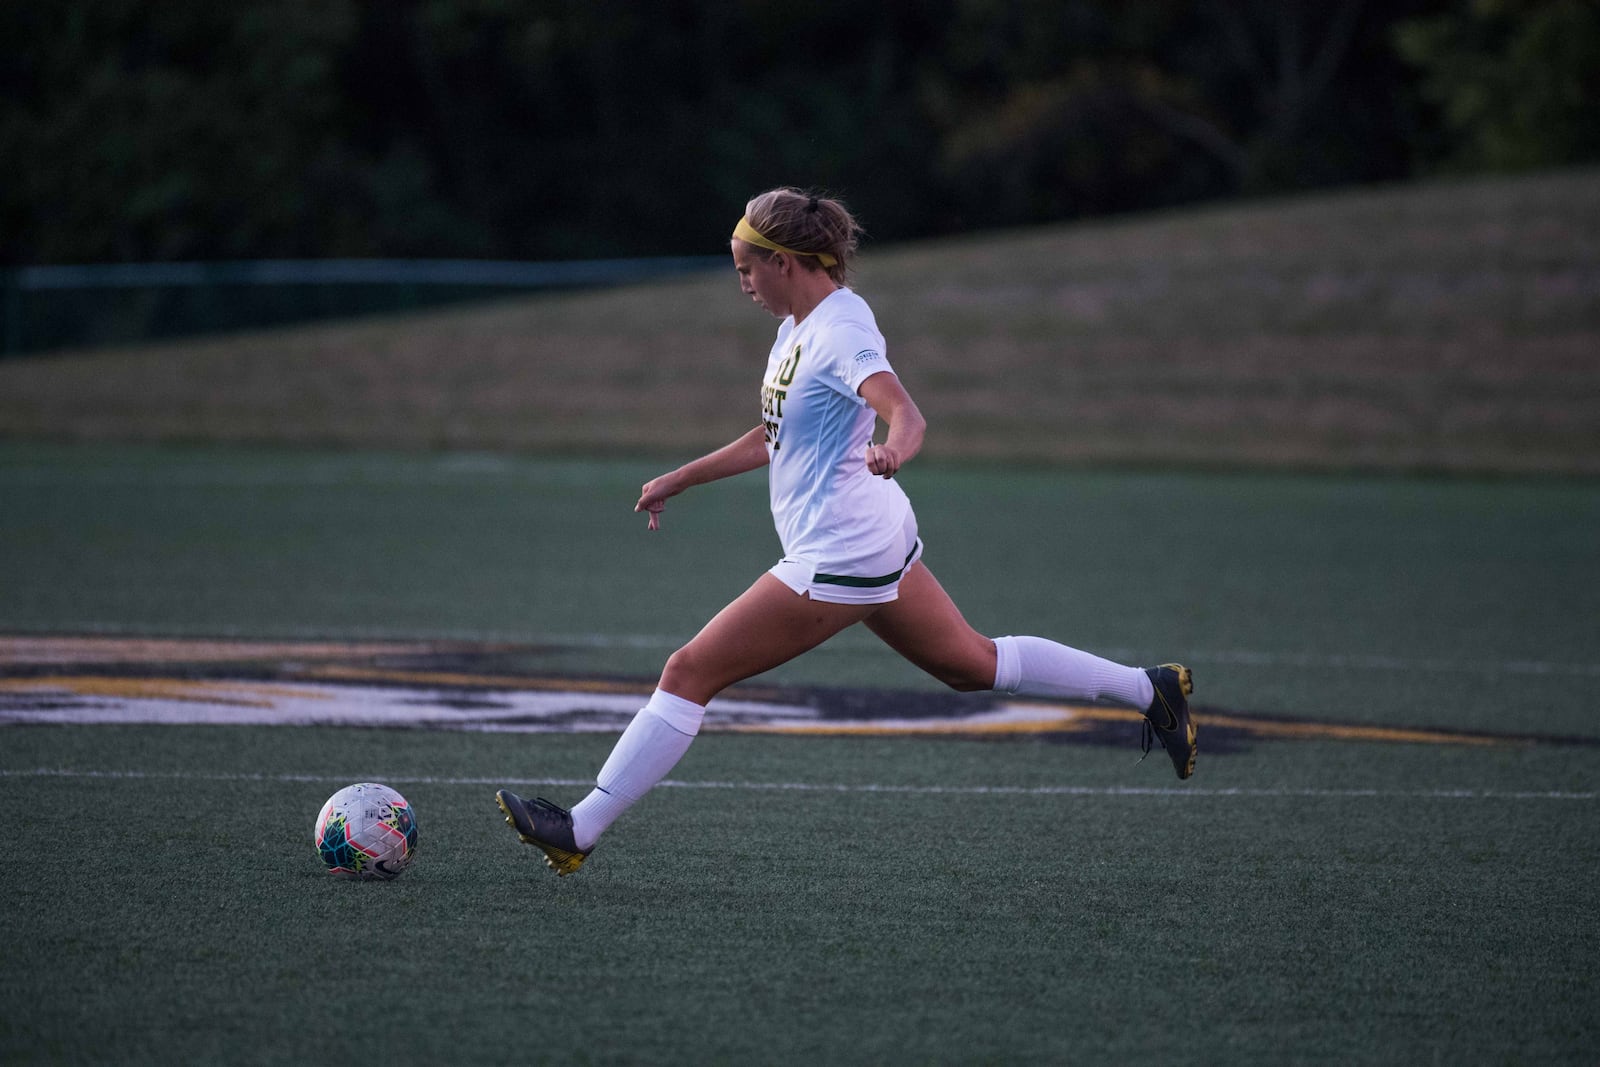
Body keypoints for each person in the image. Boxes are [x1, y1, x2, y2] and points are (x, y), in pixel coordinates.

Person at [496, 187, 1197, 876]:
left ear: (787, 261)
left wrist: (895, 447)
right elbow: (773, 434)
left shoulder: (841, 330)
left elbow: (906, 412)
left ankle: (580, 828)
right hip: (873, 537)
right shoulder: (795, 329)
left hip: (843, 553)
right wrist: (684, 476)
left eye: (746, 268)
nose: (741, 283)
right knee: (973, 665)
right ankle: (1151, 688)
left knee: (687, 671)